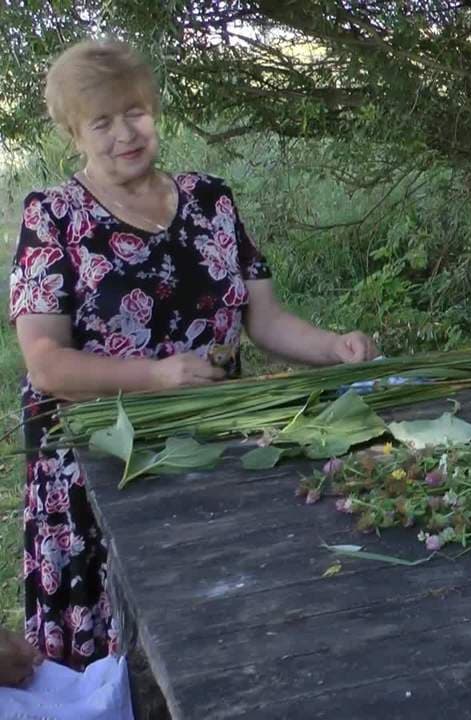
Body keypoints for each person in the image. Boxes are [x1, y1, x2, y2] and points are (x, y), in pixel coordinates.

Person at [9, 39, 377, 669]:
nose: (126, 133)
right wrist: (155, 376)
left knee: (220, 628)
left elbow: (268, 320)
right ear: (75, 131)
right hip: (100, 465)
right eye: (102, 121)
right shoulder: (53, 219)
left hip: (211, 442)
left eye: (136, 112)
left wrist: (334, 347)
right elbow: (46, 362)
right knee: (122, 655)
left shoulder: (212, 200)